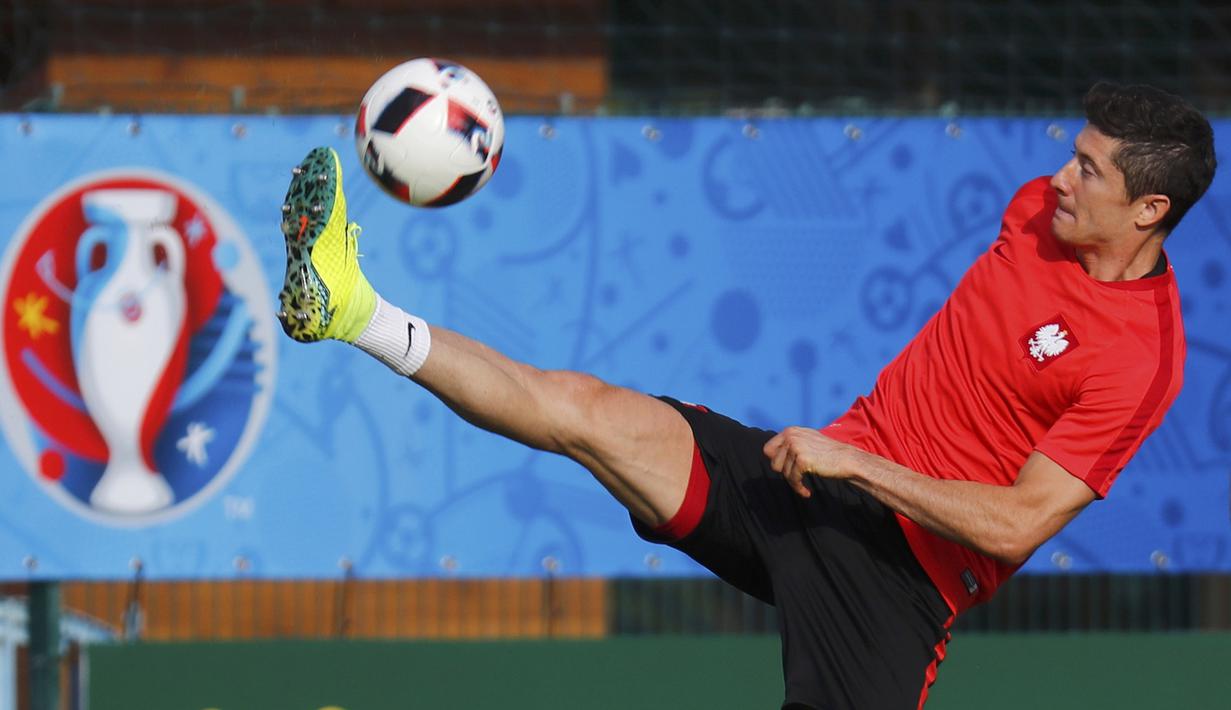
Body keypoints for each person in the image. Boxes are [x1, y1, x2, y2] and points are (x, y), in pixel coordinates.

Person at [274, 81, 1215, 709]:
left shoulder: (1141, 359)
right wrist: (845, 455)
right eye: (1072, 152)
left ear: (1148, 211)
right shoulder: (1037, 212)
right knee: (584, 410)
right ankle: (351, 308)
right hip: (801, 480)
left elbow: (1015, 528)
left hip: (898, 582)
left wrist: (860, 459)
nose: (1058, 175)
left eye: (1088, 169)